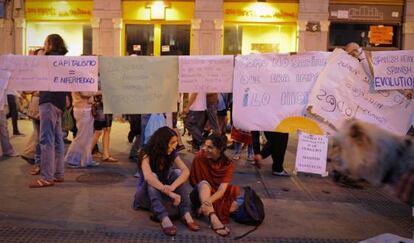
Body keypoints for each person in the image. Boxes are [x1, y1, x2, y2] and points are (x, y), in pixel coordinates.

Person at [133, 126, 199, 236]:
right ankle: (163, 217)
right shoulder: (146, 152)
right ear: (162, 143)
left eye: (176, 142)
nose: (174, 146)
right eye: (172, 143)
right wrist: (169, 193)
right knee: (153, 176)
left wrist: (172, 187)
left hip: (162, 194)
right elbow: (148, 177)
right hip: (145, 196)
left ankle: (185, 213)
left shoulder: (172, 152)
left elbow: (186, 171)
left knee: (177, 173)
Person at [29, 34, 67, 188]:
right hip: (59, 102)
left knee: (46, 139)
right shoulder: (64, 60)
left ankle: (46, 177)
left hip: (48, 100)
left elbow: (35, 75)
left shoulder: (46, 59)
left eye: (45, 43)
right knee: (58, 139)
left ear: (50, 44)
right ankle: (58, 174)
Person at [189, 134, 241, 237]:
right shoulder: (199, 158)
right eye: (205, 145)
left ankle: (203, 210)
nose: (205, 149)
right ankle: (213, 219)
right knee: (204, 184)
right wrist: (206, 202)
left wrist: (206, 203)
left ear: (220, 149)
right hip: (199, 194)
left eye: (210, 147)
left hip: (215, 196)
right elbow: (195, 184)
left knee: (235, 206)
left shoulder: (228, 164)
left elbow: (221, 191)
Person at [65, 91, 99, 168]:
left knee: (88, 136)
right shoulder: (79, 80)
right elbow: (84, 93)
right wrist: (97, 92)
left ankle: (86, 160)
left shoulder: (84, 80)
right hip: (82, 109)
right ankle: (71, 159)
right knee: (81, 136)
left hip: (87, 109)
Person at [90, 92, 118, 162]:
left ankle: (106, 155)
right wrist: (104, 91)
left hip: (108, 104)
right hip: (99, 105)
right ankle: (86, 153)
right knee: (98, 131)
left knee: (107, 130)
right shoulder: (97, 81)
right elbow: (91, 92)